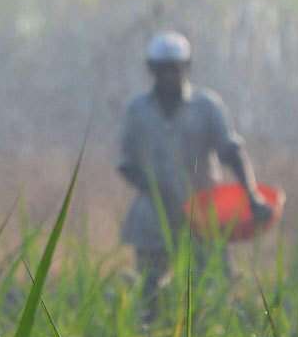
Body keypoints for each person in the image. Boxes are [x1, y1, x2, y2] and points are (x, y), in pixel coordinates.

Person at [117, 31, 273, 313]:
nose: (169, 76)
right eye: (162, 69)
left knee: (213, 289)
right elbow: (127, 164)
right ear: (151, 70)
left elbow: (231, 151)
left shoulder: (207, 107)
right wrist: (157, 190)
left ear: (186, 68)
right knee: (149, 292)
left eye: (175, 68)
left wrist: (252, 195)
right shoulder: (137, 110)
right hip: (154, 215)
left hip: (203, 213)